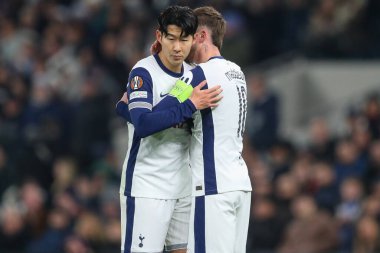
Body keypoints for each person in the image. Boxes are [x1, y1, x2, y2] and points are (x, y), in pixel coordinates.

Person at [118, 6, 252, 253]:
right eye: (172, 39)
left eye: (184, 39)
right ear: (160, 37)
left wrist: (124, 109)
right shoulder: (143, 72)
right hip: (149, 187)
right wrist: (189, 104)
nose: (178, 47)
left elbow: (154, 116)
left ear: (195, 38)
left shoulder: (194, 76)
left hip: (188, 188)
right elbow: (144, 124)